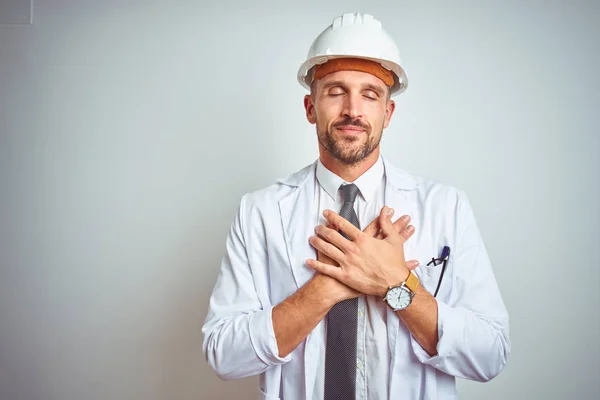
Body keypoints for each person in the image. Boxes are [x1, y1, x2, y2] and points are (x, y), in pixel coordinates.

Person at [202, 12, 510, 400]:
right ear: (310, 107)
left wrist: (397, 285)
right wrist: (327, 288)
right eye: (335, 91)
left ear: (388, 112)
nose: (352, 110)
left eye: (370, 94)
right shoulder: (259, 212)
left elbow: (489, 354)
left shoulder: (445, 207)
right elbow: (224, 356)